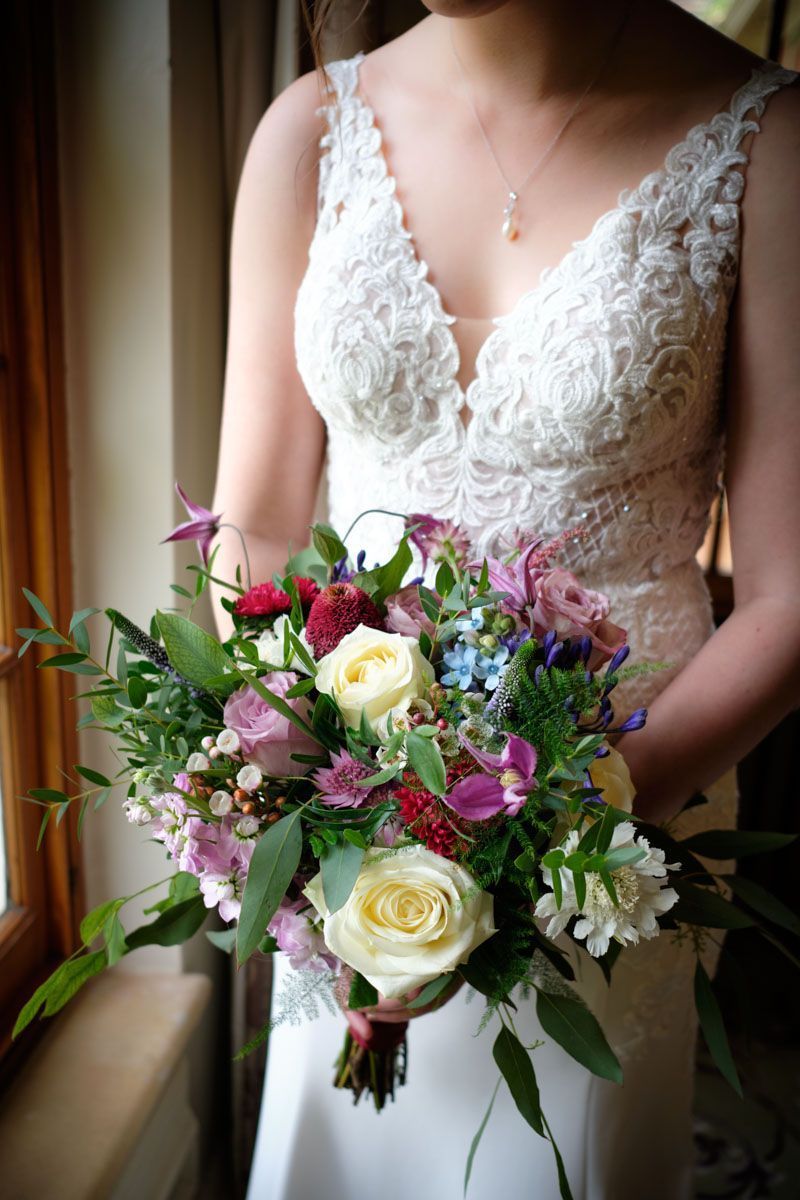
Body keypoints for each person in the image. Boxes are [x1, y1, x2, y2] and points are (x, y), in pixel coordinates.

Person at [210, 2, 800, 1197]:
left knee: (544, 1163)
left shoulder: (768, 144)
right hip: (352, 806)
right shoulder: (306, 130)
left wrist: (557, 831)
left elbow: (792, 592)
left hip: (617, 824)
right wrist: (295, 766)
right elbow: (258, 525)